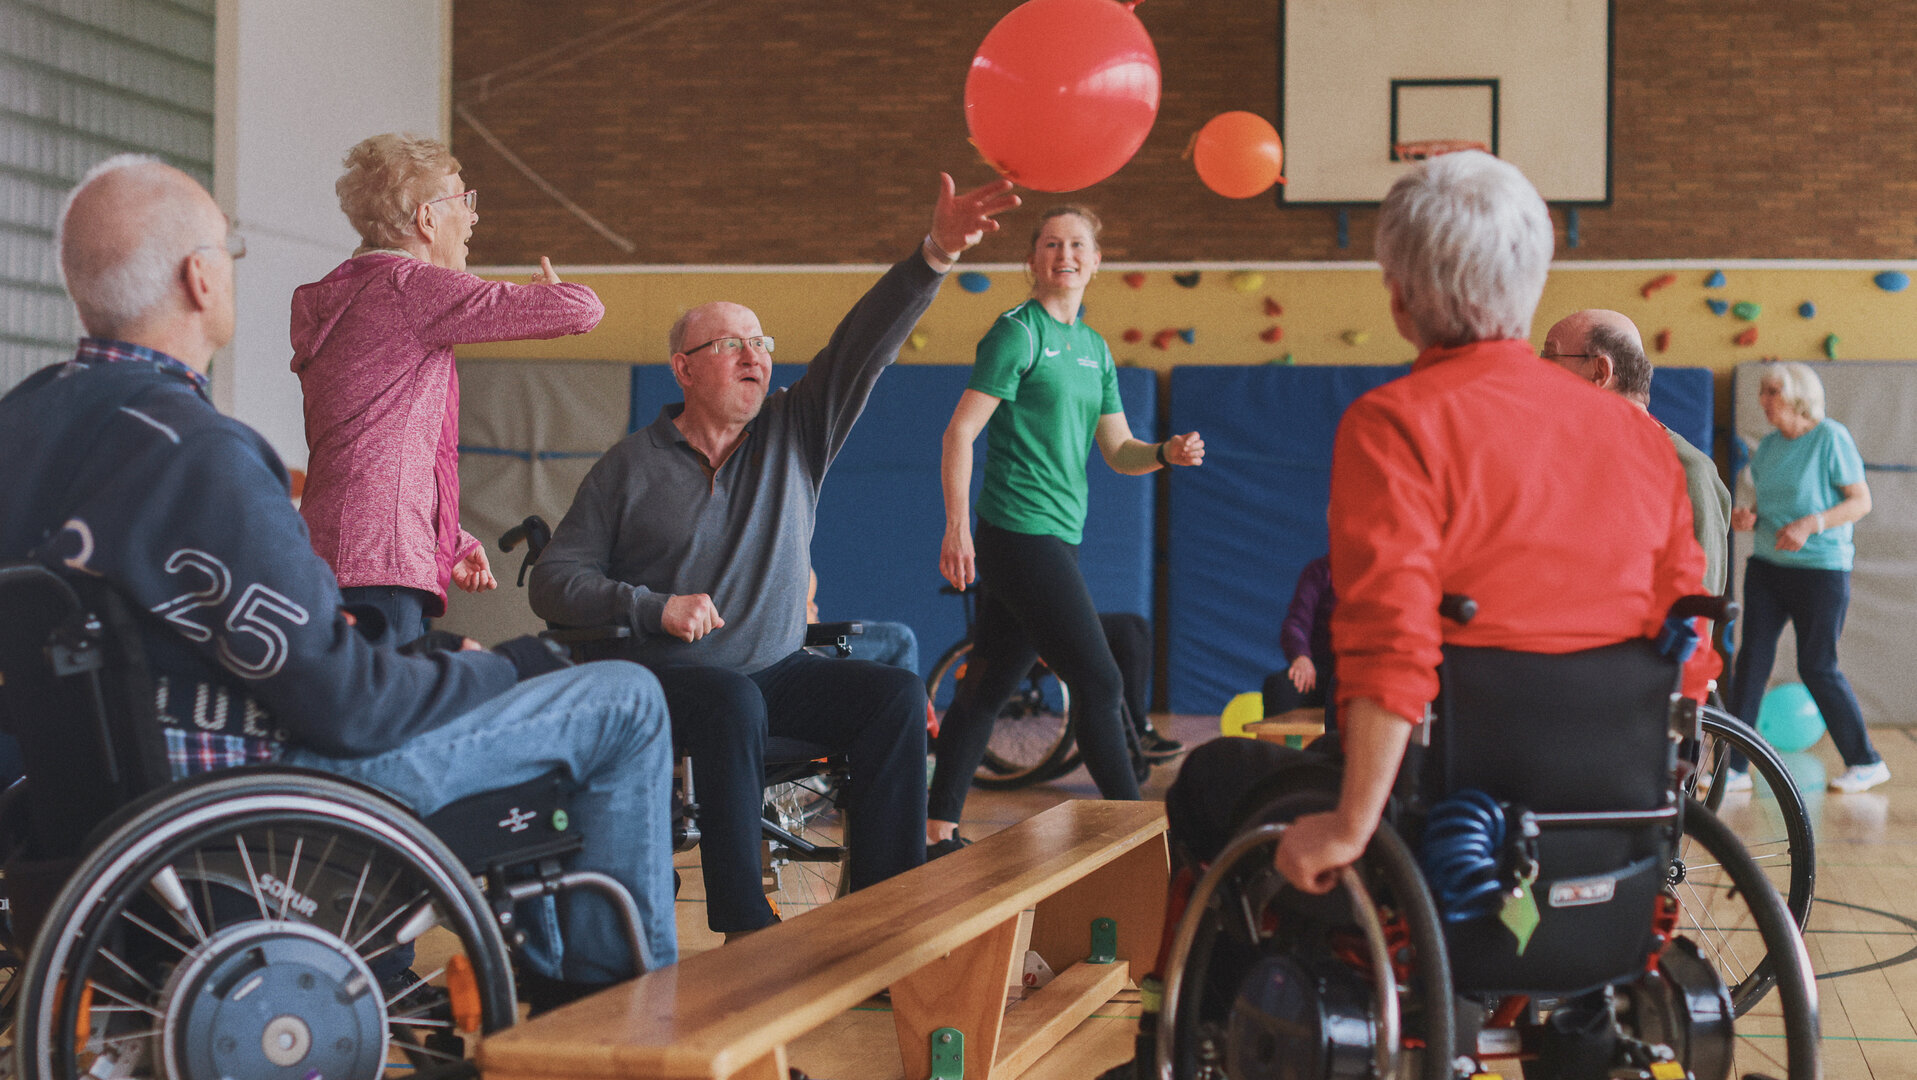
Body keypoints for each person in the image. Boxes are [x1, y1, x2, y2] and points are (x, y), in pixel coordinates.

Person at [0, 155, 676, 1003]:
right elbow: (349, 706)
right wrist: (507, 664)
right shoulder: (199, 451)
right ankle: (619, 1032)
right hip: (257, 802)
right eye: (230, 252)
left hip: (89, 824)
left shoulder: (20, 428)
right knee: (622, 700)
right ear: (200, 278)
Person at [1099, 151, 1716, 1079]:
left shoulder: (1397, 422)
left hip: (1444, 826)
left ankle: (1192, 1044)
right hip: (1617, 825)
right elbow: (1689, 650)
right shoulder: (1639, 438)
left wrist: (1349, 826)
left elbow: (1391, 652)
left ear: (1398, 296)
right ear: (1530, 279)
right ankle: (1576, 1023)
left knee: (1211, 779)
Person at [529, 174, 1021, 938]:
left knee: (890, 692)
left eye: (760, 343)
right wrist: (653, 607)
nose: (755, 356)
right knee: (732, 700)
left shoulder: (797, 432)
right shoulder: (628, 466)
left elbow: (863, 346)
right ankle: (742, 921)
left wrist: (936, 253)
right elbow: (556, 582)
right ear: (684, 368)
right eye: (731, 345)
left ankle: (884, 917)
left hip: (774, 668)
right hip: (673, 678)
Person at [929, 206, 1205, 849]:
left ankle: (937, 827)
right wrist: (956, 527)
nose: (1065, 254)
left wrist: (1163, 452)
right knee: (1101, 680)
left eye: (1077, 244)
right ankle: (1136, 839)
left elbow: (1118, 450)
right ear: (1032, 261)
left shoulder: (1093, 349)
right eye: (1051, 244)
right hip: (1017, 534)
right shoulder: (1016, 334)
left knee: (989, 685)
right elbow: (960, 432)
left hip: (1060, 536)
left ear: (1096, 262)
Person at [293, 133, 606, 640]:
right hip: (381, 563)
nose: (474, 217)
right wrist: (554, 296)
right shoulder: (409, 288)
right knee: (392, 713)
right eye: (465, 199)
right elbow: (582, 309)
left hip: (334, 550)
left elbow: (378, 444)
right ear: (427, 218)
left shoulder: (350, 292)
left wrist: (447, 536)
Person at [1726, 362, 1885, 793]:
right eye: (1761, 391)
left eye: (1772, 391)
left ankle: (1866, 761)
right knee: (1752, 660)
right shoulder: (1769, 448)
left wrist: (1810, 524)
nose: (1763, 400)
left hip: (1821, 570)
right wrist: (1748, 517)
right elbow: (1764, 506)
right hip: (1767, 566)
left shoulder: (1830, 437)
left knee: (1816, 666)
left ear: (1798, 394)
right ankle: (1735, 768)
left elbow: (1860, 502)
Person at [1541, 308, 1732, 595]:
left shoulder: (1684, 470)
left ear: (1600, 371)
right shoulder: (1568, 455)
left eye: (1550, 358)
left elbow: (1696, 611)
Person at [1261, 554, 1337, 729]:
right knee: (1280, 687)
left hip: (1364, 670)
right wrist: (1301, 656)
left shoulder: (1383, 572)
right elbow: (1297, 622)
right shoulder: (1320, 571)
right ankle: (1280, 754)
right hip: (1322, 667)